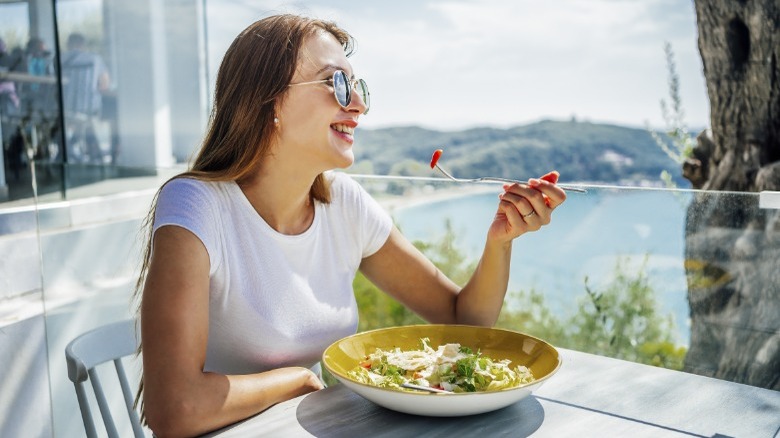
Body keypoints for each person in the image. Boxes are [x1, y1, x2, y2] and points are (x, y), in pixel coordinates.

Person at [135, 14, 567, 437]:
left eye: (357, 86)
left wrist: (501, 241)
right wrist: (298, 380)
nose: (357, 104)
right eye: (336, 83)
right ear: (269, 101)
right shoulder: (196, 205)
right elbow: (175, 409)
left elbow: (463, 320)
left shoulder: (344, 203)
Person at [60, 33, 110, 163]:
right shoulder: (94, 59)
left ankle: (71, 148)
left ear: (68, 44)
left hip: (65, 108)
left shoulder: (61, 59)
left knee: (77, 122)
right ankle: (89, 153)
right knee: (86, 122)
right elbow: (104, 84)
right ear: (83, 45)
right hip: (89, 107)